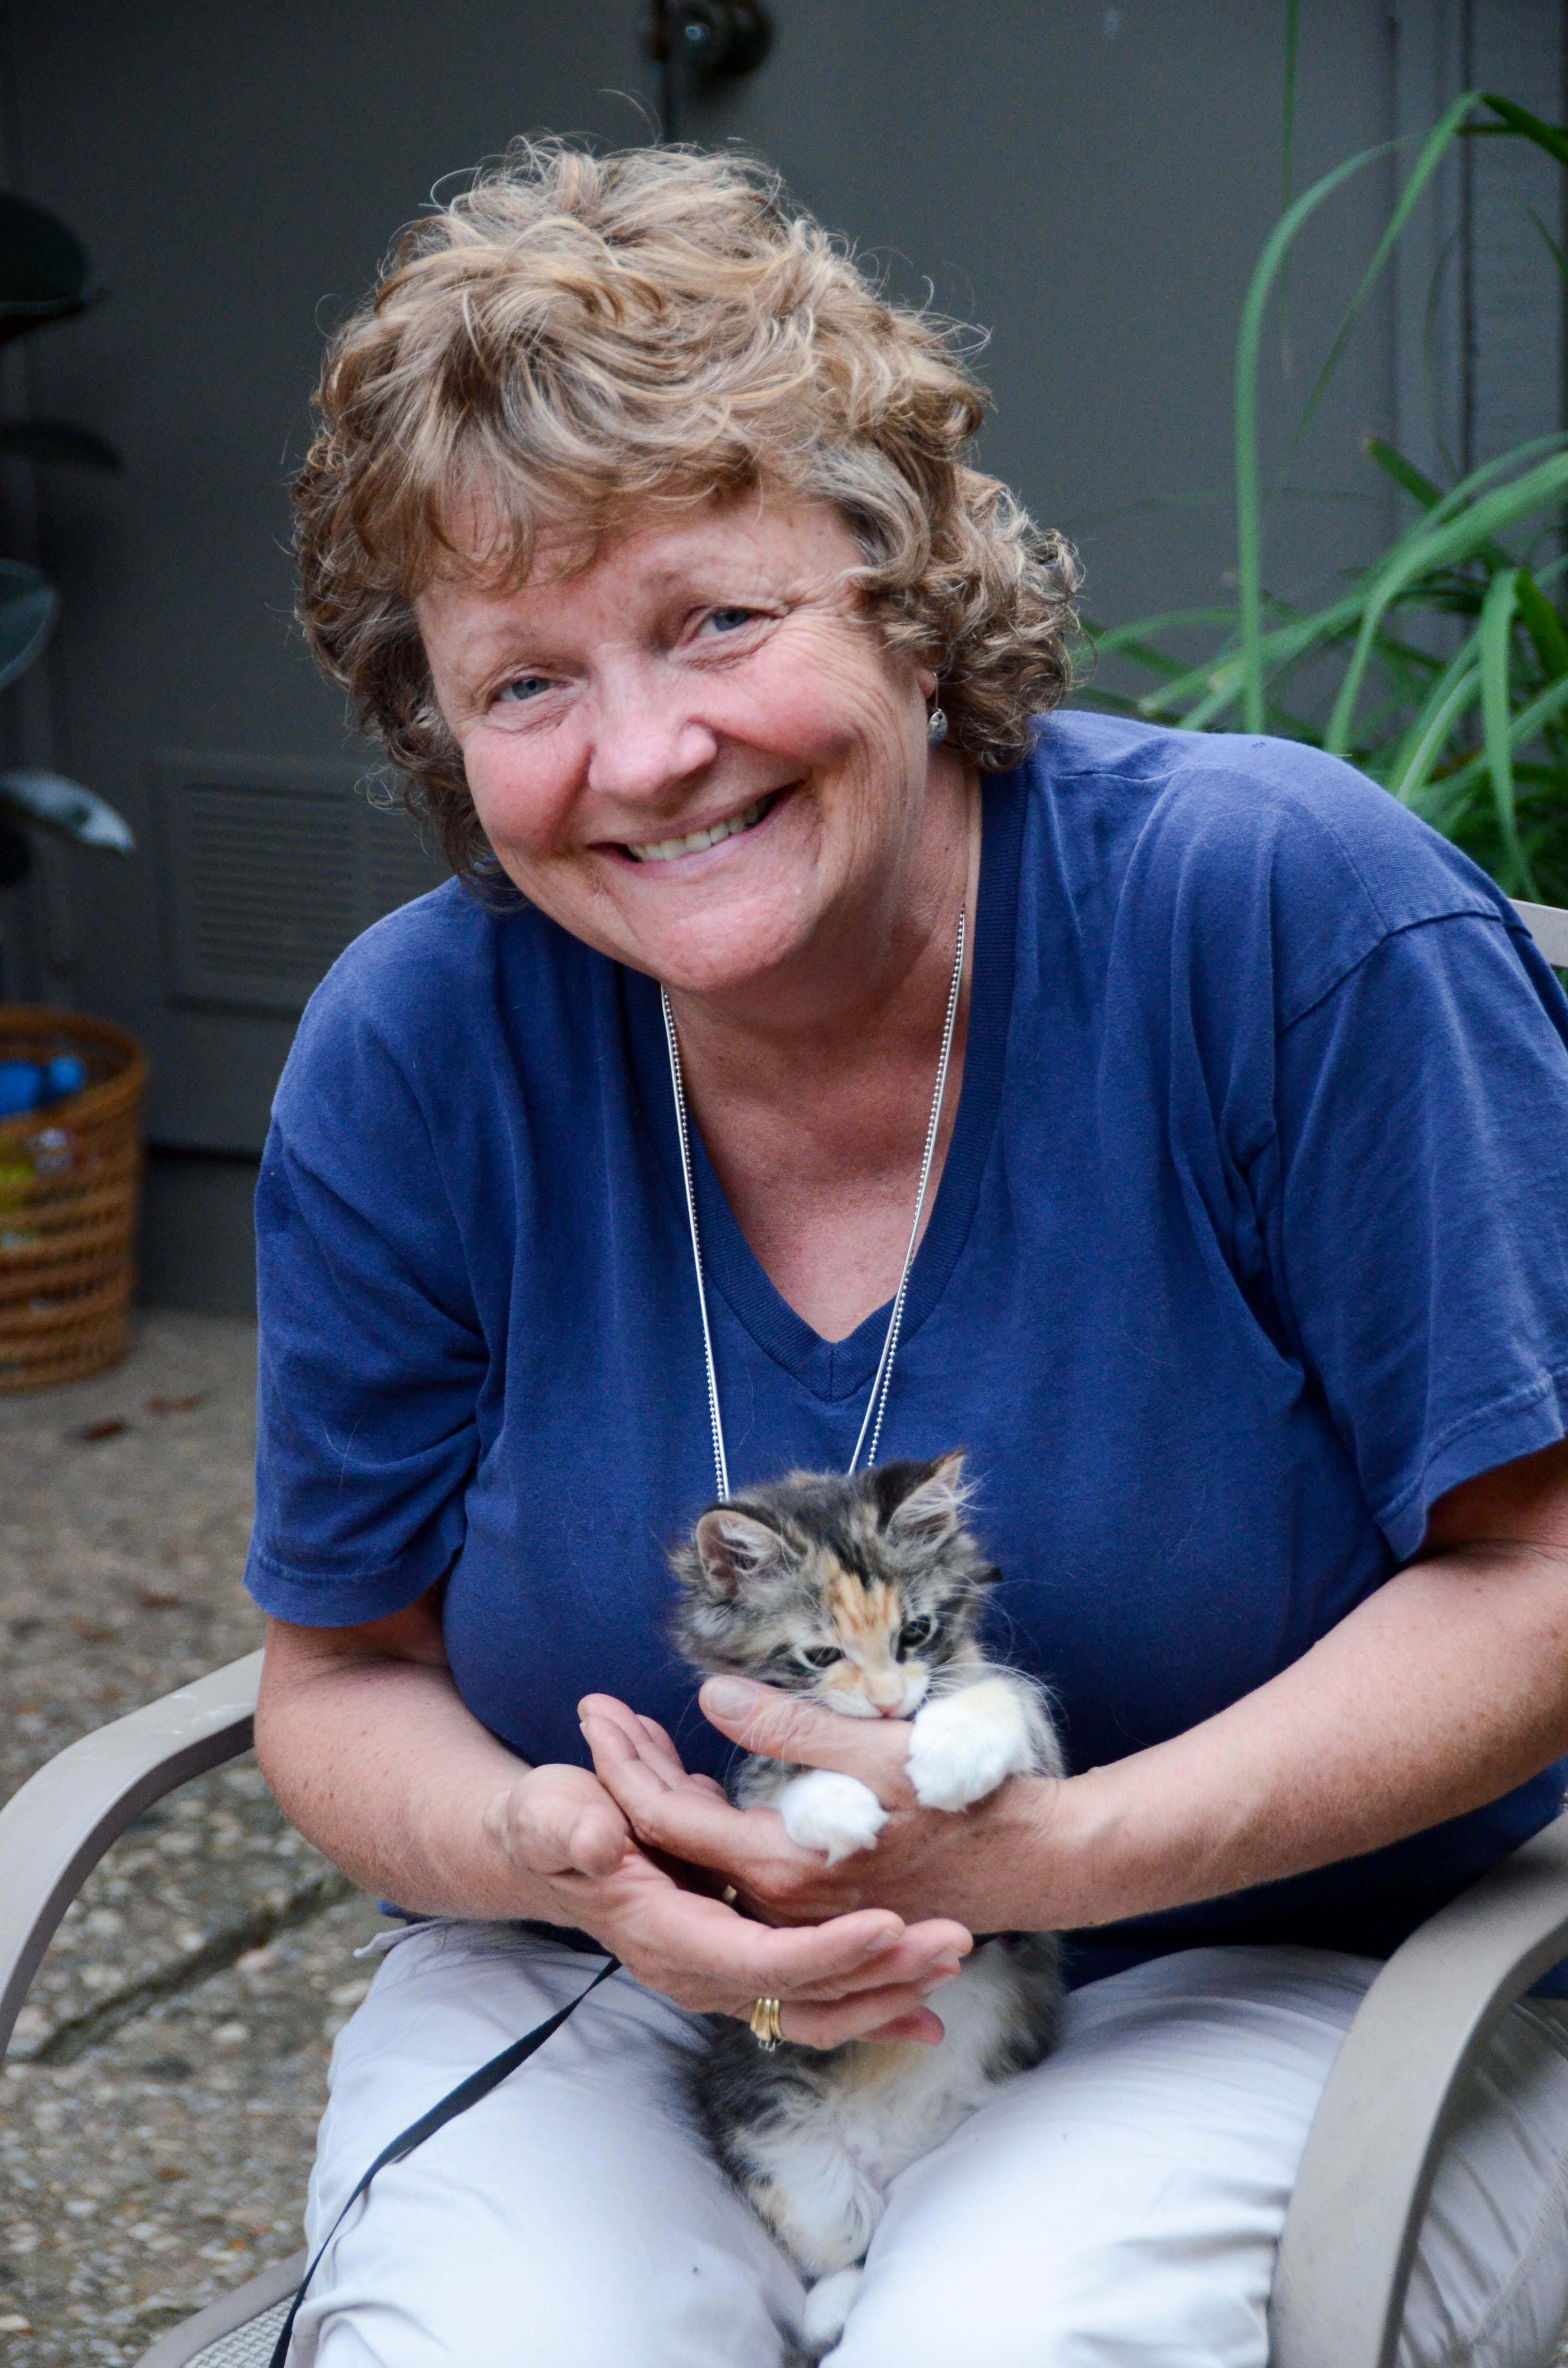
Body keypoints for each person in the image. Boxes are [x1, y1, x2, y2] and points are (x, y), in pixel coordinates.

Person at [251, 138, 1568, 2367]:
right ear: (437, 729)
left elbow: (1540, 1575)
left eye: (716, 621)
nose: (645, 756)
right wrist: (559, 1844)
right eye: (525, 684)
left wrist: (1046, 1860)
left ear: (896, 572)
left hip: (1273, 1963)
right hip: (630, 1982)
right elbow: (338, 1675)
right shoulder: (417, 1048)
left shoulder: (1274, 916)